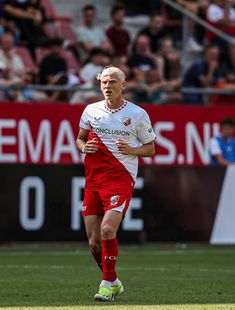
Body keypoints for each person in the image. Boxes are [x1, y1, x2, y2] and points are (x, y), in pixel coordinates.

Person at [75, 66, 156, 302]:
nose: (107, 86)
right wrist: (84, 147)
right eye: (104, 83)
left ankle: (105, 286)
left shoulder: (137, 114)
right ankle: (114, 281)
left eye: (112, 82)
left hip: (120, 179)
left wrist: (131, 150)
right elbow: (80, 139)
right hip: (93, 181)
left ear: (123, 84)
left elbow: (151, 148)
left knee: (108, 229)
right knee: (94, 243)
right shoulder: (91, 110)